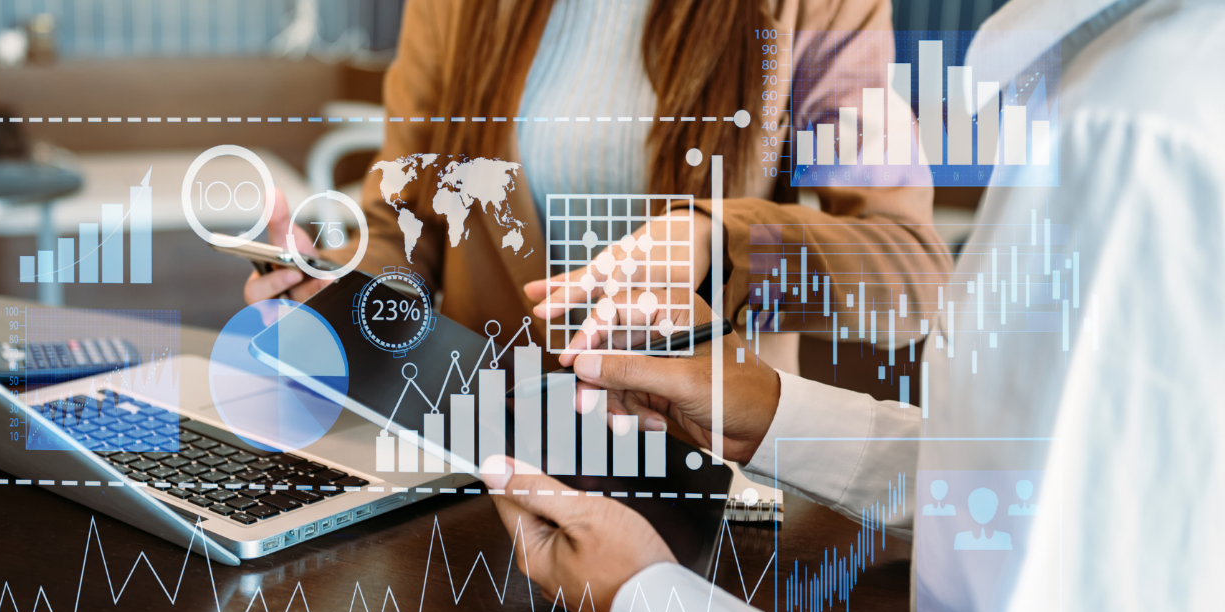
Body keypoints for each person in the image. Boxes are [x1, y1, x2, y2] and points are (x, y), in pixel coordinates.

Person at [480, 0, 1225, 612]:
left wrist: (648, 603)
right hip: (511, 475)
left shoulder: (1135, 132)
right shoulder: (1133, 96)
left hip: (676, 530)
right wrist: (777, 414)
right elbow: (1065, 485)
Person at [245, 0, 950, 378]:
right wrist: (340, 290)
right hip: (484, 450)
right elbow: (406, 219)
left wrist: (720, 247)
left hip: (700, 469)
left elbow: (912, 271)